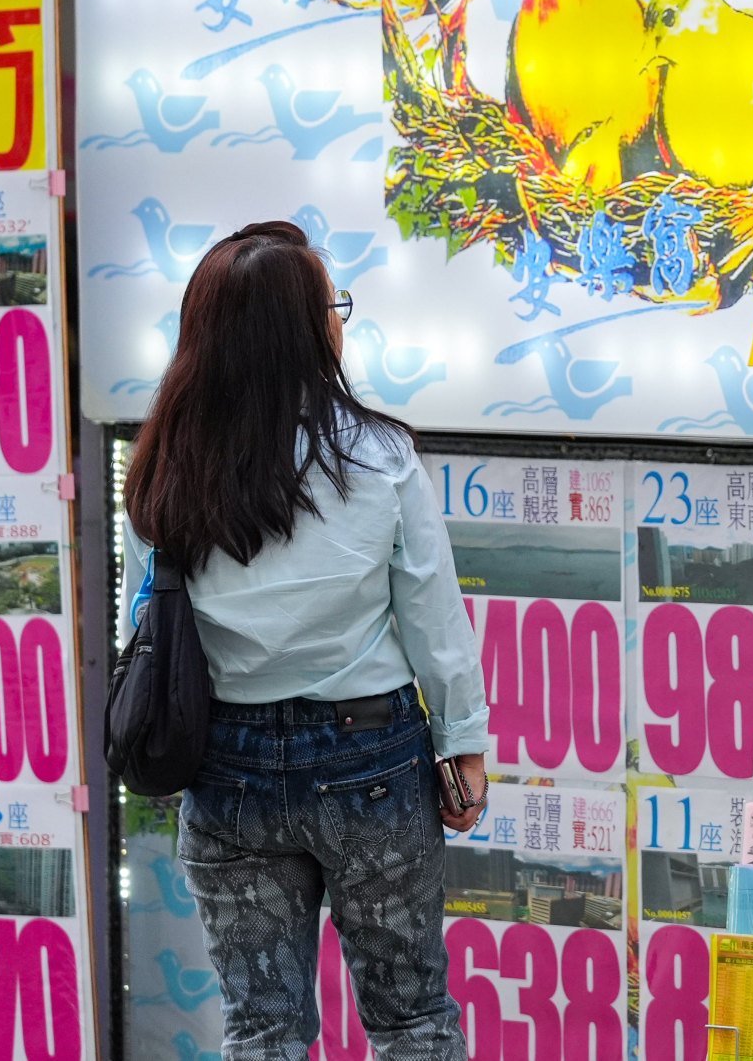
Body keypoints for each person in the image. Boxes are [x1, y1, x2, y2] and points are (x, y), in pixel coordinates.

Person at [120, 221, 487, 1060]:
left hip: (225, 768)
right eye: (331, 304)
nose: (340, 319)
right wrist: (462, 741)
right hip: (371, 760)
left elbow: (147, 635)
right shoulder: (378, 454)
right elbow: (433, 613)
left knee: (264, 1028)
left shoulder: (164, 465)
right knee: (413, 1018)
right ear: (303, 328)